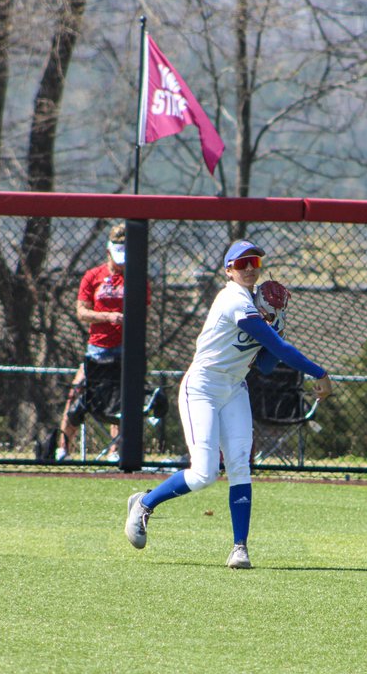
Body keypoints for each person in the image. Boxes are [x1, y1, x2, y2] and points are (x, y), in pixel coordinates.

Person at [124, 240, 334, 569]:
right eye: (241, 263)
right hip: (203, 387)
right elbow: (279, 349)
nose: (249, 268)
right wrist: (319, 372)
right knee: (204, 473)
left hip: (234, 388)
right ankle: (145, 502)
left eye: (255, 262)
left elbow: (266, 365)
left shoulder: (257, 306)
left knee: (240, 465)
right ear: (228, 270)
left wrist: (277, 323)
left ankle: (239, 548)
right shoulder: (232, 298)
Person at [55, 223, 151, 462]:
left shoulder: (137, 278)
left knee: (121, 400)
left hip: (126, 350)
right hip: (97, 349)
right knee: (76, 393)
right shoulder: (93, 276)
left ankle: (115, 451)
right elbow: (81, 311)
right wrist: (108, 317)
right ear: (108, 251)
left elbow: (144, 312)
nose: (121, 263)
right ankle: (63, 448)